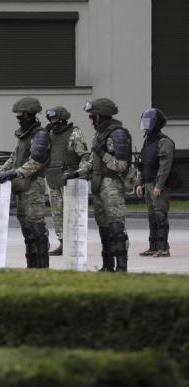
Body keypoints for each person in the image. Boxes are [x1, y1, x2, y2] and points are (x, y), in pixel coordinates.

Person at [64, 98, 133, 272]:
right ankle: (108, 265)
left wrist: (102, 153)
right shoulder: (99, 135)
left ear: (101, 116)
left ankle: (122, 268)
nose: (91, 120)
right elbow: (93, 163)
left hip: (113, 186)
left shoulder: (118, 134)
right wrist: (77, 173)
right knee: (103, 228)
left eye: (93, 116)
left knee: (116, 227)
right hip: (98, 184)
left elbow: (121, 165)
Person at [0, 97, 51, 269]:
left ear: (29, 114)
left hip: (34, 186)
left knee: (37, 227)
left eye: (20, 114)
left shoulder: (40, 135)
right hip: (21, 186)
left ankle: (42, 267)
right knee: (27, 229)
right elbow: (14, 158)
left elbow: (36, 162)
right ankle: (31, 266)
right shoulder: (24, 135)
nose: (18, 118)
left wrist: (14, 173)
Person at [43, 106, 88, 256]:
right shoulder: (48, 134)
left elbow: (84, 156)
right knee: (57, 214)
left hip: (69, 179)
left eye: (55, 118)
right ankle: (63, 243)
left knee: (72, 213)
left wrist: (78, 174)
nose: (52, 122)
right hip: (53, 178)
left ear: (62, 118)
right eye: (51, 119)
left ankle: (75, 243)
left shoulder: (74, 133)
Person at [136, 108, 177, 258]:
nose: (146, 125)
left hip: (157, 185)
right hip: (147, 184)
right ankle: (153, 247)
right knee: (152, 217)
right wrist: (139, 183)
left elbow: (165, 166)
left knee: (160, 216)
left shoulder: (164, 142)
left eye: (148, 122)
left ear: (156, 123)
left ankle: (163, 248)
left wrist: (159, 185)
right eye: (144, 122)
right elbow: (143, 164)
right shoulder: (148, 141)